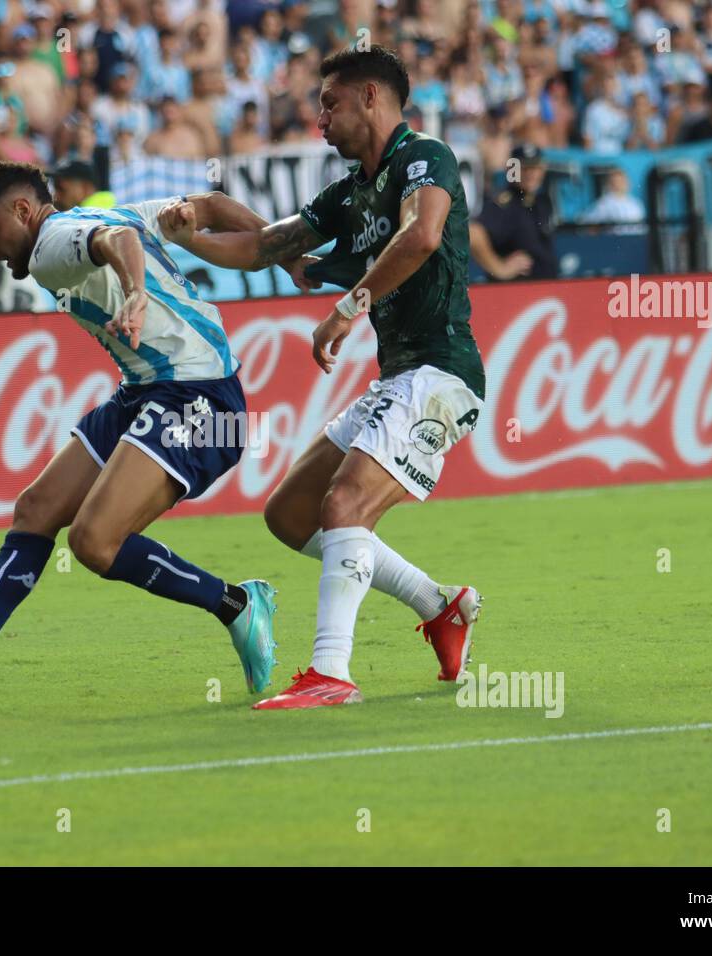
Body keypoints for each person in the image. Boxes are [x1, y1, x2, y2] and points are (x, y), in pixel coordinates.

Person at [0, 161, 278, 705]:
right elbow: (213, 206)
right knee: (37, 510)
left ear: (23, 211)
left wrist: (135, 292)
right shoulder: (98, 213)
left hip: (197, 397)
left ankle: (236, 604)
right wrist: (282, 249)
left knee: (94, 542)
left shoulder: (51, 244)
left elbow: (117, 239)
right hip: (146, 390)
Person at [156, 45, 486, 709]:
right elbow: (262, 247)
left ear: (372, 97)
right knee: (291, 513)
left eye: (330, 103)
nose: (320, 120)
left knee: (344, 505)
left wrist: (347, 307)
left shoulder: (425, 158)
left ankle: (331, 673)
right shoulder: (347, 195)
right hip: (400, 376)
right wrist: (186, 232)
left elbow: (421, 236)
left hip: (442, 374)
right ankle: (439, 605)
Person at [469, 142, 556, 281]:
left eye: (535, 167)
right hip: (516, 295)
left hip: (547, 291)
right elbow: (473, 234)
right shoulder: (504, 205)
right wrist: (500, 269)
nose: (531, 173)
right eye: (524, 168)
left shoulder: (542, 201)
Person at [48, 158, 113, 211]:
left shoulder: (99, 213)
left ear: (86, 188)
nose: (56, 195)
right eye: (55, 187)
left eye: (61, 188)